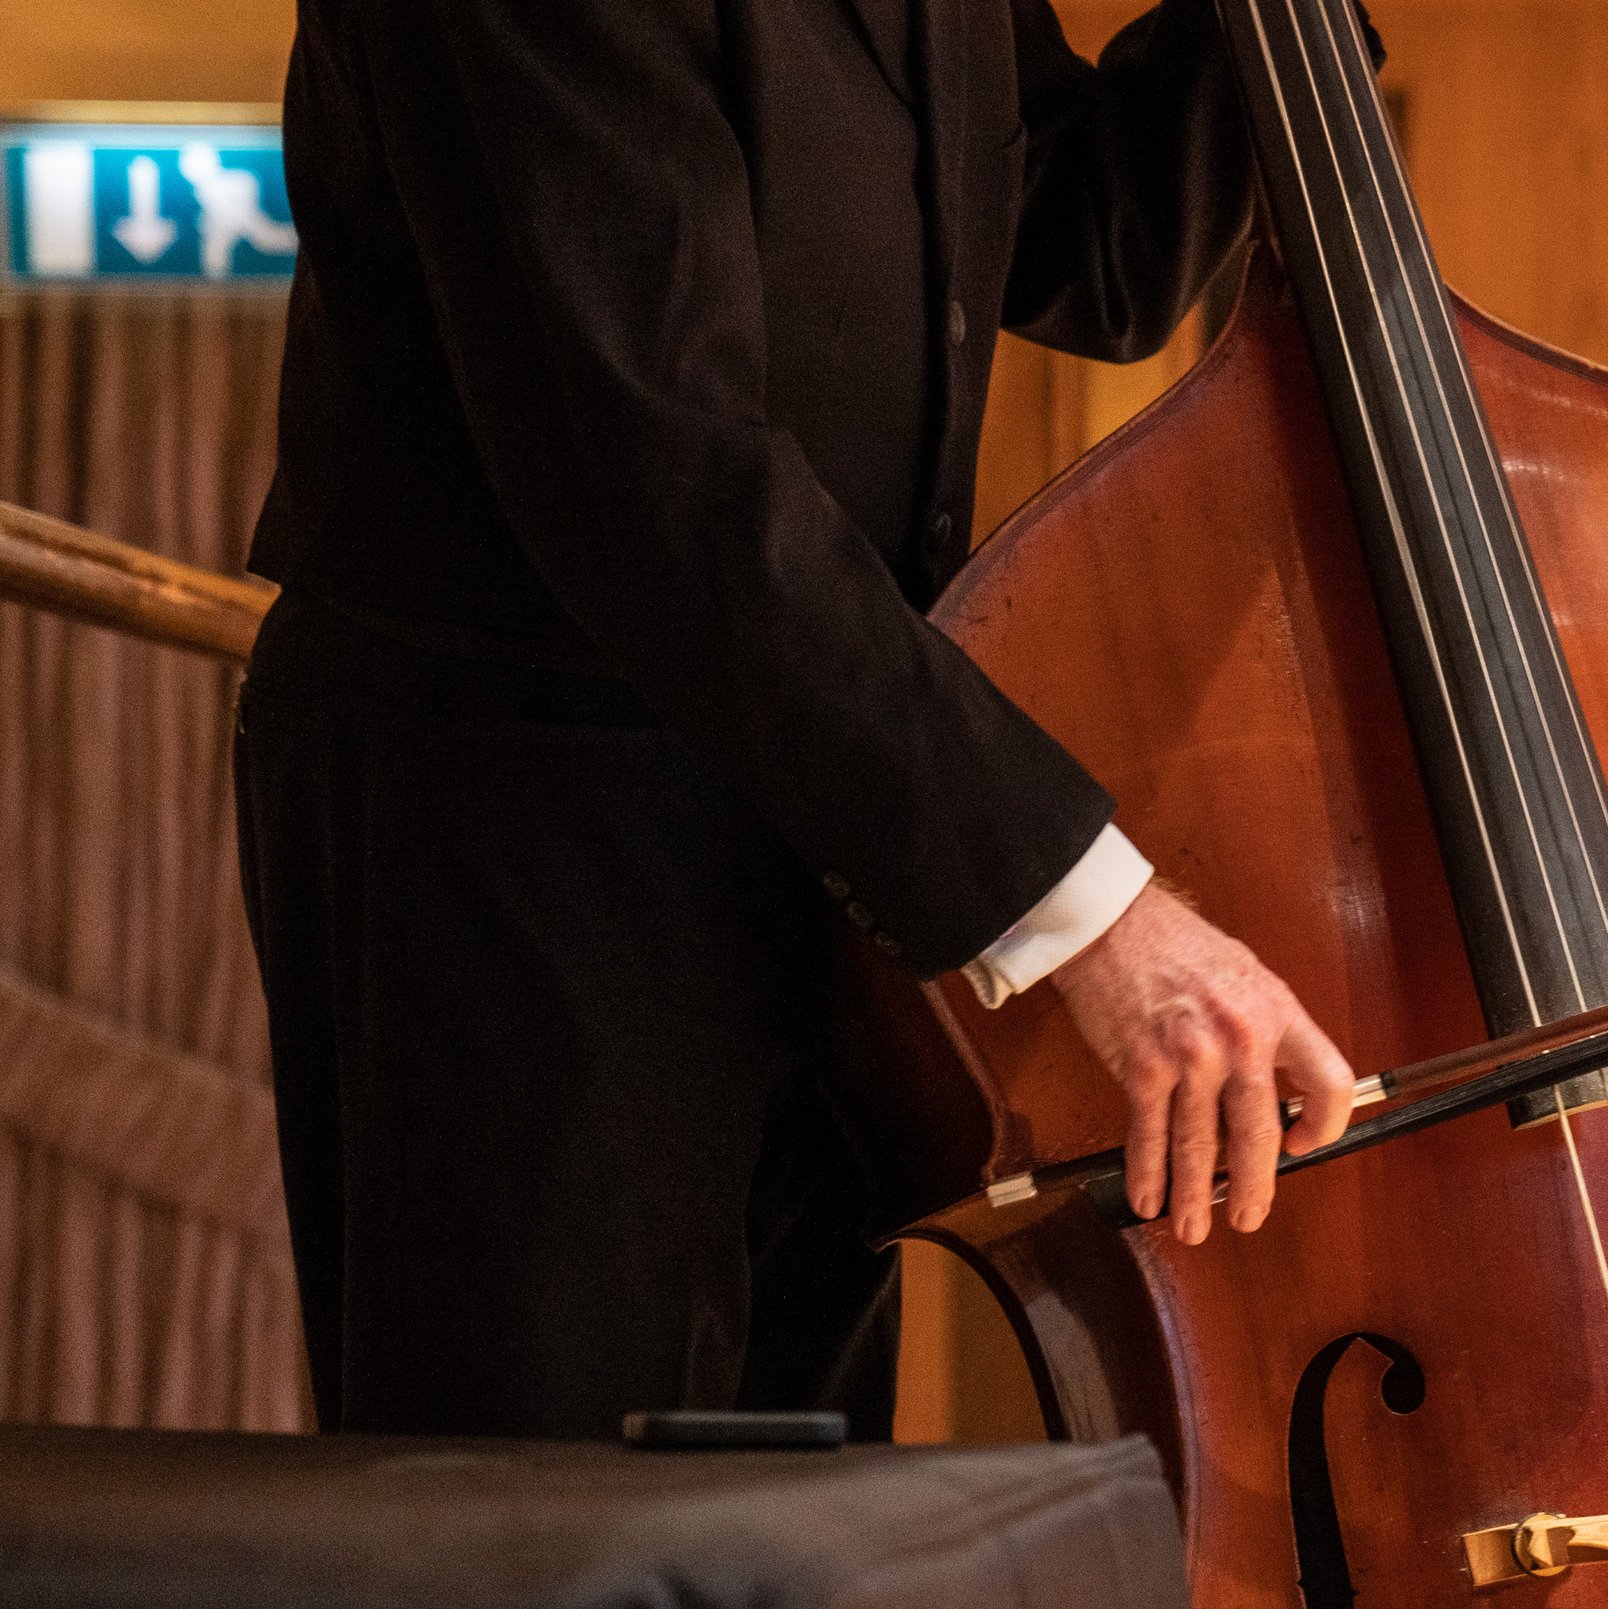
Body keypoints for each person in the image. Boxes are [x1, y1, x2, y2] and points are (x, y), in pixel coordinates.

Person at [233, 0, 1359, 1442]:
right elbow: (656, 480)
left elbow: (1093, 246)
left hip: (823, 813)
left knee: (782, 1548)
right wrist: (1095, 916)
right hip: (527, 836)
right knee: (542, 1554)